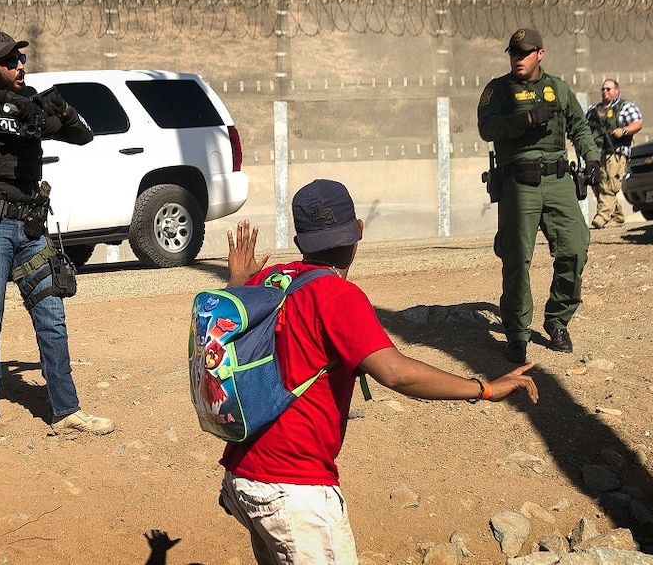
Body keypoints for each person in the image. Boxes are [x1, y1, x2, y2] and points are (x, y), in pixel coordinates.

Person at [217, 179, 539, 565]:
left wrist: (239, 278)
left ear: (301, 240)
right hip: (293, 488)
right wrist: (485, 388)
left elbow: (231, 319)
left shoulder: (269, 279)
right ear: (358, 231)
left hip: (243, 475)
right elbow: (395, 372)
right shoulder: (338, 295)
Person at [0, 31, 114, 449]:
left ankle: (67, 410)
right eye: (11, 61)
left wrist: (59, 107)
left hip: (31, 228)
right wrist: (10, 106)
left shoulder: (32, 104)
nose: (20, 66)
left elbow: (82, 134)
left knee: (51, 317)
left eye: (21, 58)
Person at [477, 28, 600, 364]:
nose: (518, 58)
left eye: (524, 53)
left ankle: (558, 320)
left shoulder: (557, 88)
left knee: (575, 248)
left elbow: (579, 126)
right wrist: (525, 119)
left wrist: (592, 158)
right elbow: (487, 128)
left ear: (540, 54)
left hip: (558, 179)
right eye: (513, 53)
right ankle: (517, 334)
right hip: (518, 182)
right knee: (517, 258)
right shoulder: (498, 90)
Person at [585, 79, 643, 229]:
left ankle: (601, 216)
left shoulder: (626, 107)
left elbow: (637, 124)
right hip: (597, 153)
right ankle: (616, 217)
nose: (605, 92)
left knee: (609, 184)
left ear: (617, 90)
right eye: (603, 89)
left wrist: (623, 130)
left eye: (609, 89)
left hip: (616, 152)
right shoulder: (593, 109)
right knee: (597, 184)